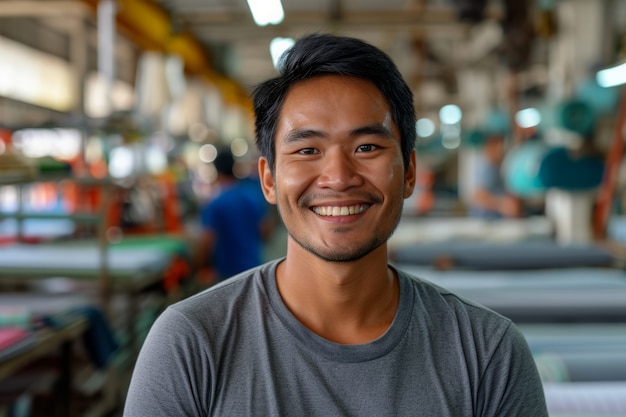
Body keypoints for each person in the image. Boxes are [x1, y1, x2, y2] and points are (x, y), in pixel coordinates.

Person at [124, 33, 548, 416]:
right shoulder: (191, 343)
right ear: (269, 179)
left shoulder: (488, 352)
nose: (339, 176)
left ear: (410, 172)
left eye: (366, 146)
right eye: (307, 150)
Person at [196, 146, 274, 283]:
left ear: (217, 171)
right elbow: (265, 231)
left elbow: (207, 241)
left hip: (228, 275)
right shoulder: (252, 197)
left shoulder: (214, 204)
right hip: (255, 268)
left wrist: (200, 267)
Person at [468, 133, 523, 219]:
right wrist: (503, 205)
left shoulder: (496, 166)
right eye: (498, 147)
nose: (500, 151)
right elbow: (478, 196)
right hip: (486, 221)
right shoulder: (486, 168)